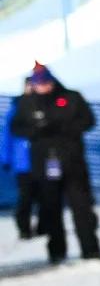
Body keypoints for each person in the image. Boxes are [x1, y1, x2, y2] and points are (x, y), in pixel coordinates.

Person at [10, 62, 100, 262]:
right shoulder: (27, 103)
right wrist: (36, 131)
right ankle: (56, 252)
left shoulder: (71, 97)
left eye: (45, 82)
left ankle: (91, 250)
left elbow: (88, 121)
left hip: (73, 162)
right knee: (50, 208)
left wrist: (64, 129)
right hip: (44, 164)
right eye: (39, 83)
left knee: (82, 208)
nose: (43, 87)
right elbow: (16, 128)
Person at [1, 79, 42, 239]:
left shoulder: (44, 105)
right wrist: (6, 158)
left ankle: (43, 227)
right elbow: (7, 137)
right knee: (25, 197)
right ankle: (24, 228)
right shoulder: (16, 109)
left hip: (42, 161)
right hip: (23, 163)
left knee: (45, 196)